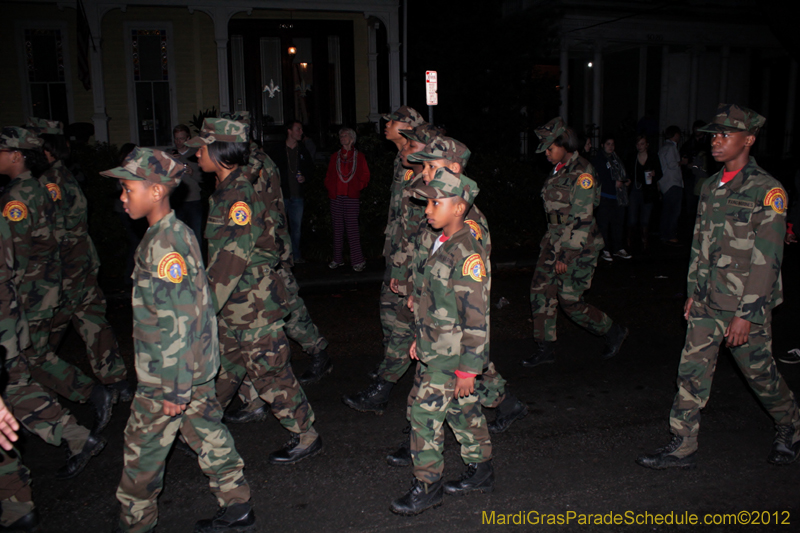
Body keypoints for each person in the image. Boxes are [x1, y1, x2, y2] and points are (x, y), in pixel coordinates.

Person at [636, 104, 800, 470]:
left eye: (726, 134)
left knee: (761, 377)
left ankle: (791, 424)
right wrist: (693, 292)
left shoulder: (767, 191)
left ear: (750, 140)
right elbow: (700, 246)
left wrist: (747, 315)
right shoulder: (710, 186)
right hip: (708, 301)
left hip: (744, 306)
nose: (716, 141)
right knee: (691, 370)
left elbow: (768, 259)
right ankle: (683, 442)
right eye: (714, 134)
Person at [101, 147, 255, 533]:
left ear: (155, 191)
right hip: (192, 369)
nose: (122, 197)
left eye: (127, 188)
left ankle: (135, 523)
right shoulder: (172, 233)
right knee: (207, 433)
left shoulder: (165, 244)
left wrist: (174, 387)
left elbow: (179, 322)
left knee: (141, 458)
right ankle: (237, 506)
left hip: (168, 375)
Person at [187, 118, 321, 464]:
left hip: (253, 305)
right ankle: (199, 428)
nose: (196, 152)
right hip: (234, 305)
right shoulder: (226, 190)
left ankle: (305, 434)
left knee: (270, 373)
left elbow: (230, 262)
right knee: (222, 369)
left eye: (202, 146)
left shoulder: (238, 198)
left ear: (218, 151)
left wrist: (202, 309)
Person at [390, 169, 493, 516]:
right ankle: (481, 469)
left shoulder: (466, 252)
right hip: (436, 347)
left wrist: (469, 369)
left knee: (423, 417)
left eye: (437, 202)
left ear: (460, 207)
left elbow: (476, 317)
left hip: (452, 355)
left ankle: (427, 485)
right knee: (460, 409)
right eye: (428, 202)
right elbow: (434, 302)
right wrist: (421, 341)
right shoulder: (442, 242)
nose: (429, 209)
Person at [0, 126, 113, 433]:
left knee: (35, 356)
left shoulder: (19, 197)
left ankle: (88, 395)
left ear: (15, 156)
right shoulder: (35, 187)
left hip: (32, 290)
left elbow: (16, 255)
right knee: (36, 354)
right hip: (45, 285)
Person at [27, 117, 131, 403]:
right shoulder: (64, 175)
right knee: (93, 323)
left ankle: (73, 391)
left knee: (40, 340)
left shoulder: (48, 183)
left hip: (63, 271)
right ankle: (116, 380)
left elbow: (52, 234)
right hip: (80, 265)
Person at [524, 117, 628, 368]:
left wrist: (567, 254)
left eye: (550, 148)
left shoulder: (582, 171)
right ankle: (545, 347)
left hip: (578, 244)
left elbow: (582, 217)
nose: (546, 154)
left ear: (564, 143)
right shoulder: (559, 168)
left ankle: (612, 330)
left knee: (569, 301)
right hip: (553, 239)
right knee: (540, 291)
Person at [378, 106, 426, 346]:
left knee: (397, 312)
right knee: (392, 311)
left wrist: (404, 262)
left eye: (392, 122)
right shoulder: (401, 160)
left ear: (408, 128)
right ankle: (393, 362)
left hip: (411, 253)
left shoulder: (419, 164)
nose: (386, 125)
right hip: (396, 249)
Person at [324, 127, 370, 271]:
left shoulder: (359, 156)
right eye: (341, 136)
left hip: (351, 197)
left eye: (345, 135)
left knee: (352, 229)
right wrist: (331, 188)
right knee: (337, 228)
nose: (342, 138)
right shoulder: (335, 156)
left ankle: (357, 261)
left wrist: (357, 187)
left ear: (351, 138)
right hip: (336, 197)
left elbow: (365, 175)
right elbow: (329, 175)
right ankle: (337, 259)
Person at [270, 120, 314, 263]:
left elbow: (311, 168)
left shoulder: (302, 150)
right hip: (282, 195)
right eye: (298, 129)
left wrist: (305, 177)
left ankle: (295, 255)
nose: (301, 132)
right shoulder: (278, 149)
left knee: (296, 229)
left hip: (297, 195)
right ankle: (281, 256)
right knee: (280, 227)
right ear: (289, 131)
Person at [593, 135, 631, 261]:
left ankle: (618, 248)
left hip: (618, 197)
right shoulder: (599, 158)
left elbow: (622, 172)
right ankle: (605, 249)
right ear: (603, 145)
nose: (610, 147)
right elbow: (600, 177)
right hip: (605, 196)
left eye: (612, 144)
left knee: (618, 223)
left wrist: (625, 180)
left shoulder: (616, 158)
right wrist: (613, 183)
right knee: (604, 224)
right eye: (608, 144)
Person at [627, 135, 662, 250]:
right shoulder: (633, 157)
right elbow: (628, 172)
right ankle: (630, 242)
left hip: (648, 191)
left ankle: (644, 242)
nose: (639, 146)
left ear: (647, 145)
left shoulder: (652, 156)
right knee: (632, 218)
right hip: (635, 190)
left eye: (642, 143)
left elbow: (660, 173)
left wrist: (654, 174)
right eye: (638, 144)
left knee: (645, 220)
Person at [171, 124, 204, 240]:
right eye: (176, 138)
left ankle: (197, 258)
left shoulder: (196, 155)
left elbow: (203, 179)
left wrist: (192, 173)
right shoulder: (169, 155)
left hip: (193, 201)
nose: (178, 141)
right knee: (178, 237)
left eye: (181, 138)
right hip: (176, 202)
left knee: (195, 236)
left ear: (188, 139)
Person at [658, 125, 684, 245]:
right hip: (673, 182)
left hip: (665, 183)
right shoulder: (671, 148)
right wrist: (682, 162)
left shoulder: (663, 148)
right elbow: (673, 164)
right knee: (674, 211)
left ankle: (664, 234)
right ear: (676, 135)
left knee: (666, 211)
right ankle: (670, 234)